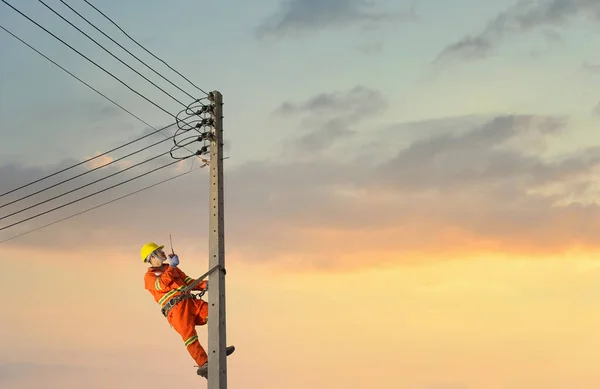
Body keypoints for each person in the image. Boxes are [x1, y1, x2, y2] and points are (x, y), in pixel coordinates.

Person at [141, 242, 234, 378]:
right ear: (152, 257)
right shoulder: (149, 277)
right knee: (190, 337)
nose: (163, 253)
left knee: (213, 312)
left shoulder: (172, 269)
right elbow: (161, 284)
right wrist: (172, 267)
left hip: (190, 302)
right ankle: (204, 363)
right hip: (176, 310)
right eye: (159, 252)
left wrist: (205, 285)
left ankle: (219, 347)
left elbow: (188, 281)